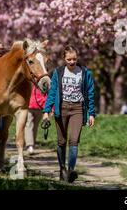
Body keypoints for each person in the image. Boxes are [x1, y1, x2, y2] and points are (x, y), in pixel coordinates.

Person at [42, 45, 96, 183]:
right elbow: (52, 92)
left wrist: (91, 113)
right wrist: (46, 111)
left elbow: (90, 93)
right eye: (69, 59)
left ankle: (71, 170)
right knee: (61, 141)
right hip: (62, 108)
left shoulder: (84, 72)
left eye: (74, 59)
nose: (72, 62)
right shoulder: (58, 72)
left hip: (78, 109)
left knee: (74, 140)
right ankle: (62, 169)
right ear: (64, 59)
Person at [24, 85, 47, 155]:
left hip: (38, 106)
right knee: (29, 125)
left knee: (34, 126)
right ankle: (30, 145)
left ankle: (31, 144)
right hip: (31, 106)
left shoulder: (44, 81)